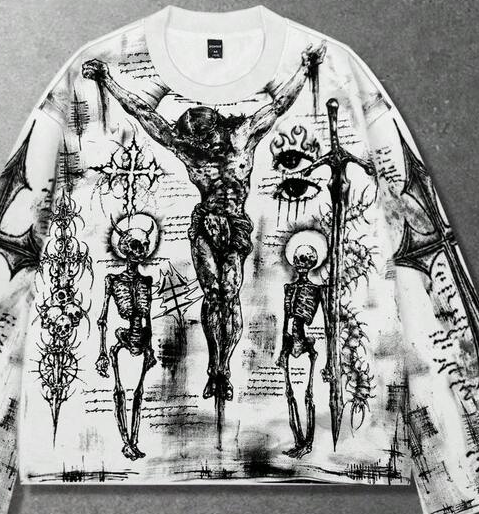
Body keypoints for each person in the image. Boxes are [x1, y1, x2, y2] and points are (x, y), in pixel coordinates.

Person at [82, 41, 326, 401]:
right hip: (205, 223)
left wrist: (304, 70)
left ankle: (225, 366)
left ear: (217, 130)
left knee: (230, 292)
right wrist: (107, 80)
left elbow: (279, 106)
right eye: (195, 143)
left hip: (236, 224)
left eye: (206, 141)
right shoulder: (186, 147)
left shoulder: (242, 137)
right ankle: (216, 370)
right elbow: (142, 112)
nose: (203, 149)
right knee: (213, 293)